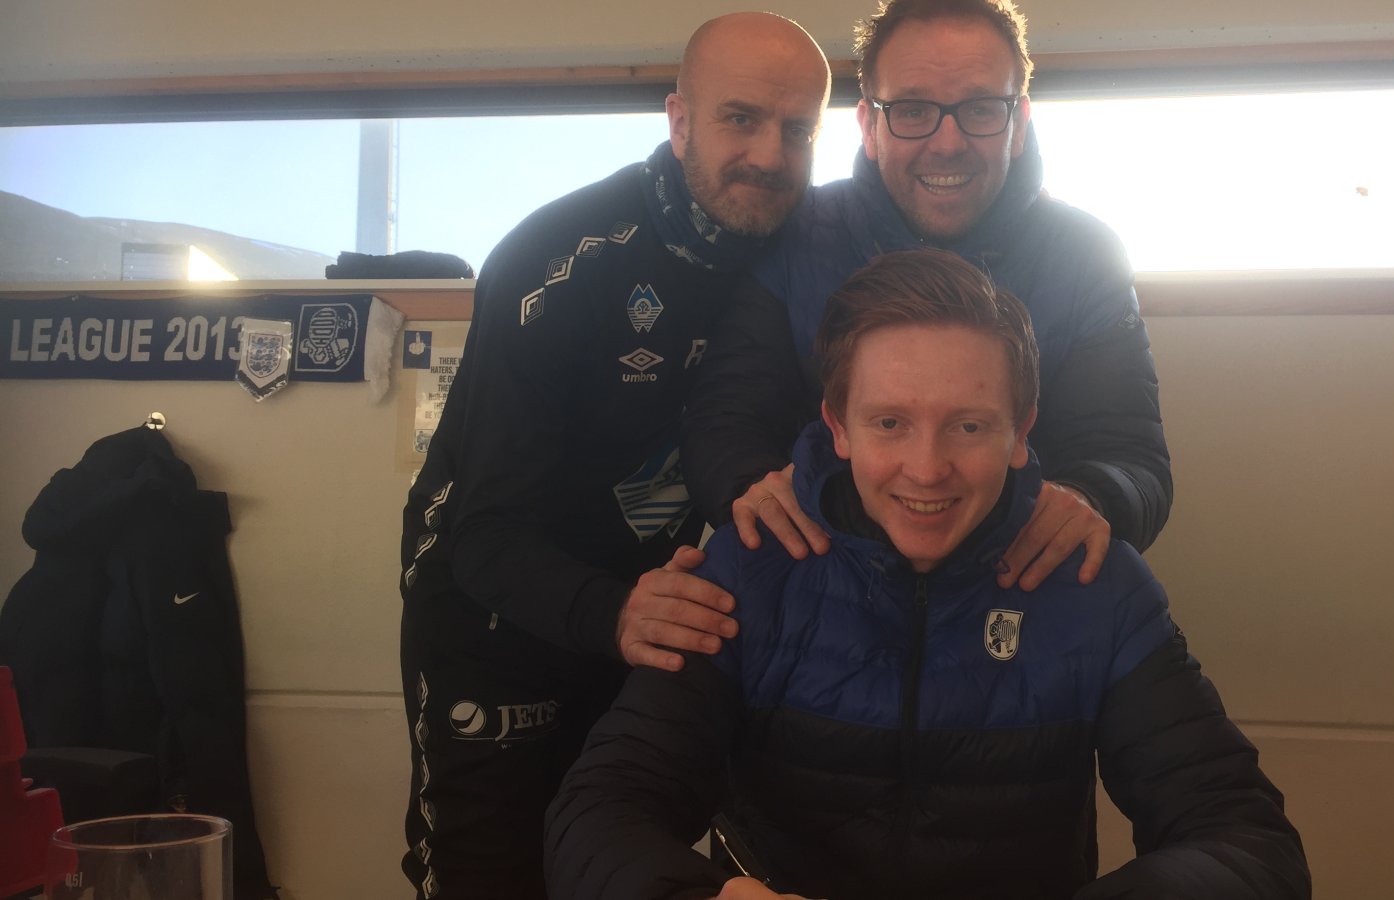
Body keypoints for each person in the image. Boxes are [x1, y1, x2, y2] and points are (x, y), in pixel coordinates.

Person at [545, 248, 1310, 900]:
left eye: (968, 426)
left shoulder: (1096, 585)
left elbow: (1247, 840)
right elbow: (599, 810)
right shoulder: (748, 569)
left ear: (1020, 431)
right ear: (838, 427)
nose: (927, 468)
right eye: (890, 423)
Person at [397, 14, 831, 899]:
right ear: (679, 121)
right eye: (740, 119)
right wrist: (616, 611)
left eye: (797, 130)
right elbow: (482, 532)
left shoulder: (801, 254)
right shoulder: (558, 260)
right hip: (495, 629)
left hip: (660, 622)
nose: (769, 156)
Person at [683, 0, 1171, 592]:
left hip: (1018, 593)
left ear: (1019, 122)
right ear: (868, 126)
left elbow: (1131, 456)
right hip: (817, 584)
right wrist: (748, 486)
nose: (947, 142)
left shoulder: (1086, 253)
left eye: (981, 108)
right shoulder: (793, 234)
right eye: (912, 110)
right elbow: (725, 419)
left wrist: (1091, 497)